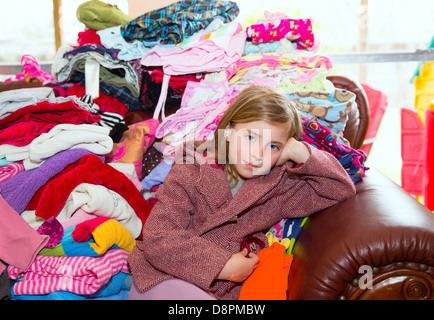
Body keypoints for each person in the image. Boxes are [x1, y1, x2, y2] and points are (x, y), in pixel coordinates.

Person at [128, 85, 356, 300]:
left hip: (219, 292)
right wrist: (221, 265)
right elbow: (158, 236)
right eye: (250, 137)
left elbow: (339, 188)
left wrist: (302, 152)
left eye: (273, 146)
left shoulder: (280, 187)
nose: (258, 154)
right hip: (162, 276)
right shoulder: (192, 165)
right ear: (228, 132)